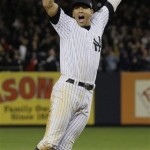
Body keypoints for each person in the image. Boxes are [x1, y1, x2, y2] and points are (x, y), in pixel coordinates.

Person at [35, 0, 122, 149]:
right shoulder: (67, 24)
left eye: (84, 7)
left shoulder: (98, 22)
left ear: (92, 12)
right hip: (68, 90)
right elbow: (48, 5)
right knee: (49, 143)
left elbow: (113, 2)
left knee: (64, 147)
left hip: (87, 95)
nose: (80, 10)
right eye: (76, 8)